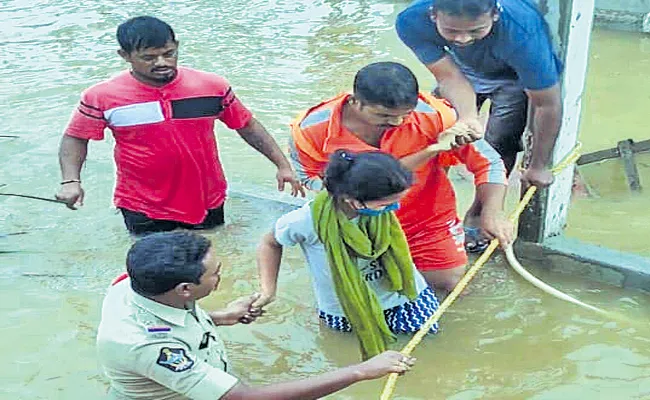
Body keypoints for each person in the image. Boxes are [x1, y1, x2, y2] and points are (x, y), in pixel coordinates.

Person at [56, 16, 303, 236]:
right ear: (125, 55)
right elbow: (76, 138)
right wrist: (71, 181)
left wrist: (282, 165)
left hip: (207, 197)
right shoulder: (102, 96)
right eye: (149, 57)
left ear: (177, 47)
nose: (162, 62)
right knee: (156, 271)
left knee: (210, 260)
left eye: (169, 53)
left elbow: (247, 125)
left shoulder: (211, 86)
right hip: (142, 203)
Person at [96, 231, 415, 399]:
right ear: (184, 289)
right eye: (214, 274)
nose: (220, 277)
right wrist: (360, 371)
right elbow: (243, 399)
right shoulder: (147, 347)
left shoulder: (131, 284)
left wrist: (220, 316)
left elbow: (166, 319)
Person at [289, 61, 513, 294]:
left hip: (426, 220)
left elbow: (489, 162)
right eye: (383, 115)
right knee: (360, 293)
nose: (396, 123)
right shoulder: (311, 130)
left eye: (405, 115)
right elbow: (309, 179)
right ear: (355, 101)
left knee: (448, 285)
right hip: (356, 222)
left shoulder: (437, 116)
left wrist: (492, 212)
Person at [395, 0, 563, 251]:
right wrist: (466, 118)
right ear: (433, 15)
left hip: (515, 77)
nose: (462, 39)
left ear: (495, 14)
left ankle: (481, 213)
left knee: (499, 142)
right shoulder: (411, 21)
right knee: (437, 133)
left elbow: (547, 104)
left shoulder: (522, 32)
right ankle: (429, 212)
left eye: (475, 30)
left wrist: (539, 165)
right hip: (459, 68)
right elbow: (448, 75)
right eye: (451, 31)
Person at [255, 150, 440, 360]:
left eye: (398, 201)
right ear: (351, 200)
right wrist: (268, 291)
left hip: (406, 297)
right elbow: (269, 242)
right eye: (386, 204)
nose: (394, 208)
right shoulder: (304, 221)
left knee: (428, 353)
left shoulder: (380, 209)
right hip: (345, 309)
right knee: (351, 359)